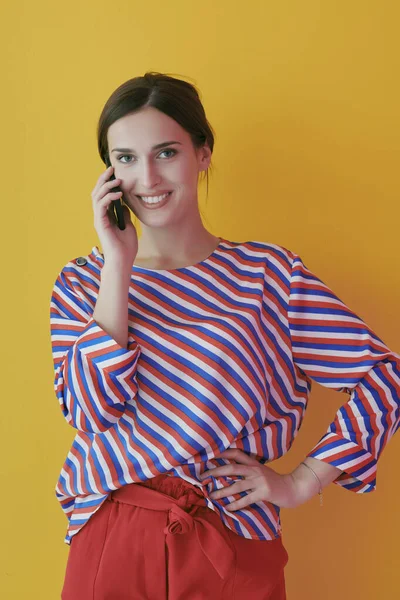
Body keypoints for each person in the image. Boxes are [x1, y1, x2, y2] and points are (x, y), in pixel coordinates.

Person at [50, 72, 400, 600]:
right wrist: (117, 268)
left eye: (165, 152)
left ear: (203, 153)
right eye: (125, 158)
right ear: (109, 172)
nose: (146, 177)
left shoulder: (267, 275)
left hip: (231, 532)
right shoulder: (84, 282)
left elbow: (383, 375)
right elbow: (92, 412)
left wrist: (301, 482)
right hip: (114, 530)